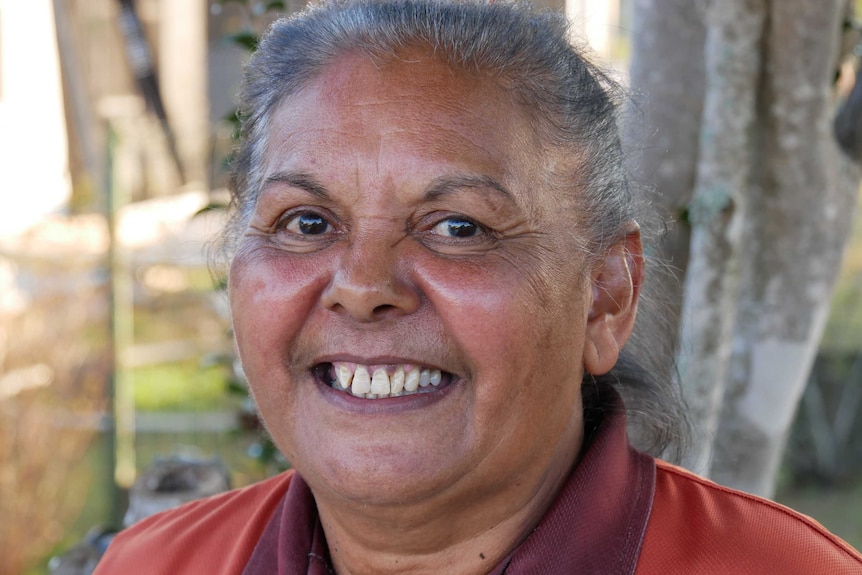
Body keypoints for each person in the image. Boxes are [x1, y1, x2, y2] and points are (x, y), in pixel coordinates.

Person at [94, 1, 862, 573]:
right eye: (305, 222)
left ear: (606, 297)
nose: (363, 287)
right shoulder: (154, 563)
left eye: (457, 227)